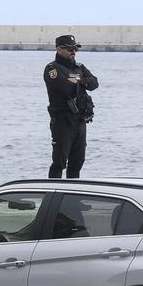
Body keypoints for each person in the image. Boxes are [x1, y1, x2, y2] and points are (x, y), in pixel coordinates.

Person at [44, 34, 98, 179]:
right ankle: (53, 193)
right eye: (69, 49)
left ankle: (72, 196)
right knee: (59, 163)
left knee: (77, 162)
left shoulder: (79, 67)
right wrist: (80, 81)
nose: (73, 52)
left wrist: (77, 80)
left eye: (75, 49)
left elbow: (94, 83)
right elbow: (66, 87)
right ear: (59, 49)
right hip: (62, 121)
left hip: (80, 121)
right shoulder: (52, 69)